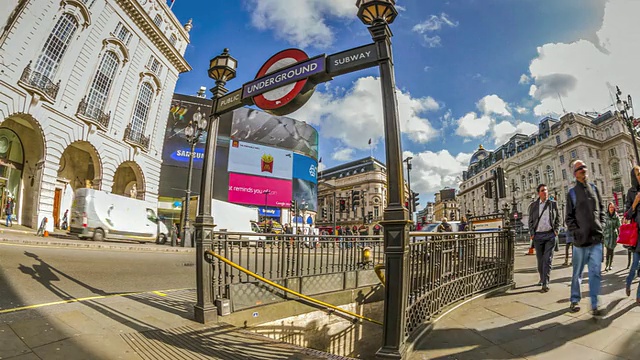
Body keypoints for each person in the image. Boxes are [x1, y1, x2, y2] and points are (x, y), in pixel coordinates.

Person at [566, 160, 605, 315]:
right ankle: (575, 299)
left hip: (596, 238)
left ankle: (595, 304)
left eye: (584, 167)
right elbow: (569, 218)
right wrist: (577, 232)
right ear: (575, 174)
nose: (583, 170)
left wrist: (601, 225)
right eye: (579, 168)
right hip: (580, 242)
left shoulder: (594, 189)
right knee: (578, 273)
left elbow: (601, 209)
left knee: (595, 272)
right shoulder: (572, 193)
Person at [528, 184, 561, 293]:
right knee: (540, 260)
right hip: (538, 236)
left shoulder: (553, 204)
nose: (545, 192)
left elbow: (558, 219)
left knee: (548, 259)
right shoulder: (533, 205)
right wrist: (532, 233)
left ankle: (545, 283)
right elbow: (530, 221)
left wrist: (556, 230)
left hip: (550, 235)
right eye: (543, 190)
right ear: (539, 193)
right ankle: (542, 277)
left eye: (546, 190)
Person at [624, 165, 640, 304]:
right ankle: (628, 282)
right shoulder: (630, 192)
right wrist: (635, 204)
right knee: (635, 265)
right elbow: (627, 215)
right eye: (638, 174)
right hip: (637, 235)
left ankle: (639, 295)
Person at [602, 202, 621, 272]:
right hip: (607, 236)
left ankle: (610, 264)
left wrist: (620, 234)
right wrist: (603, 232)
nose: (611, 209)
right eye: (610, 207)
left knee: (612, 250)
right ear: (608, 208)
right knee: (608, 251)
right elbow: (602, 225)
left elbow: (619, 226)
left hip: (613, 235)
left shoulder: (616, 216)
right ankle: (606, 265)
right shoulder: (605, 215)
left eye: (612, 207)